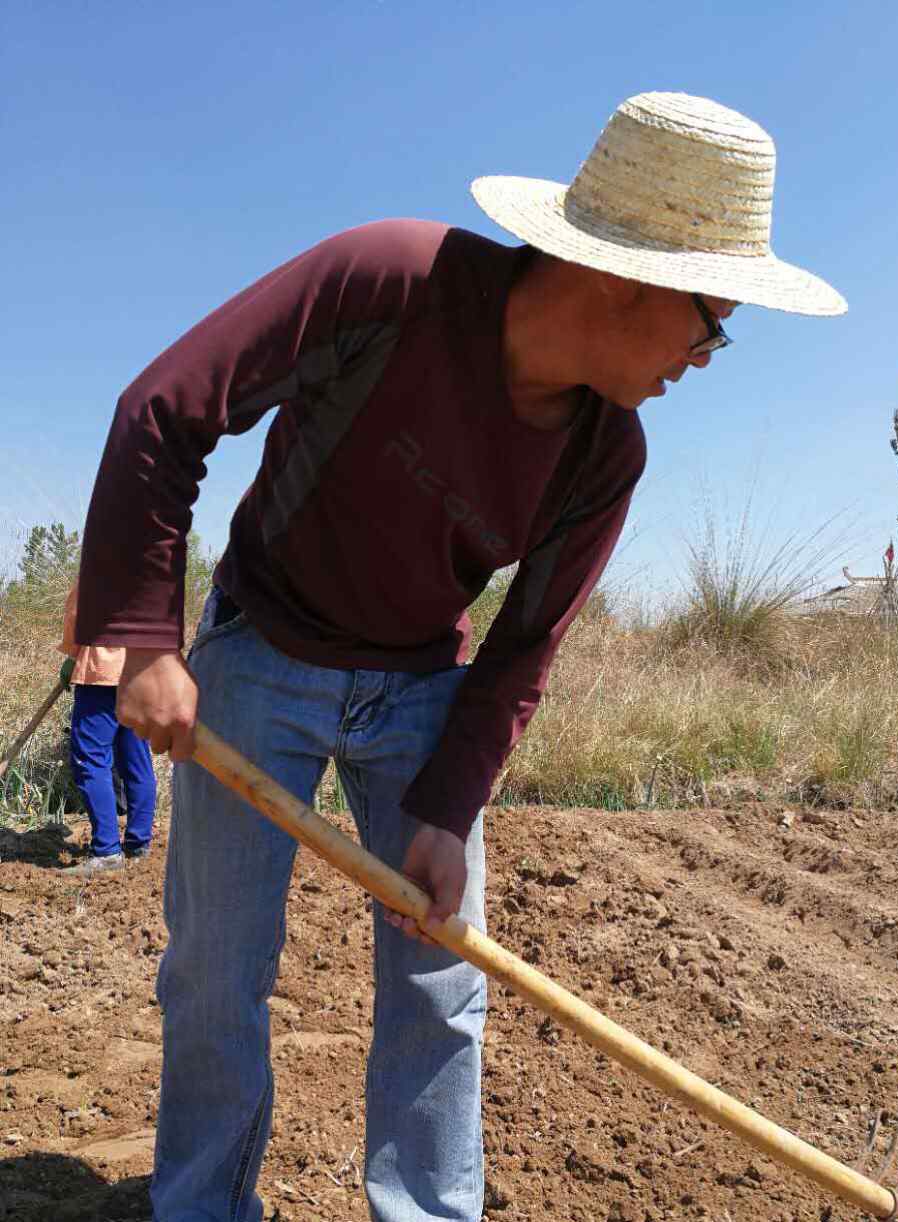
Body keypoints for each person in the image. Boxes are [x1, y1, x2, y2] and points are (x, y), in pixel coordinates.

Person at [75, 92, 845, 1221]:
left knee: (444, 982)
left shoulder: (605, 452)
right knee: (213, 979)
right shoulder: (389, 281)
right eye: (710, 321)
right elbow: (163, 409)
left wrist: (444, 809)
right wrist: (143, 635)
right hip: (262, 652)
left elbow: (521, 649)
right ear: (626, 274)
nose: (705, 355)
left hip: (423, 693)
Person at [59, 581, 156, 875]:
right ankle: (138, 844)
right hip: (141, 672)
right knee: (136, 760)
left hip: (102, 674)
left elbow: (78, 615)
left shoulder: (101, 559)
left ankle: (106, 851)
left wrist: (72, 656)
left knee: (90, 758)